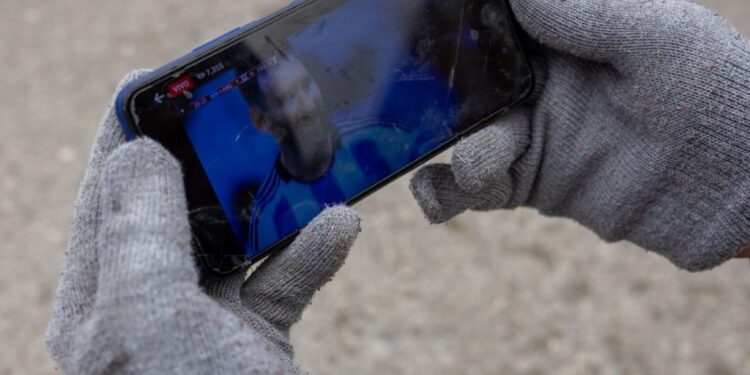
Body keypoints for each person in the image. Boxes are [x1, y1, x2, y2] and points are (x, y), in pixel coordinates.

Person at [47, 0, 750, 373]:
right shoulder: (261, 204)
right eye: (280, 98)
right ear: (260, 116)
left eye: (300, 85)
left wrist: (734, 162)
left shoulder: (383, 134)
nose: (300, 101)